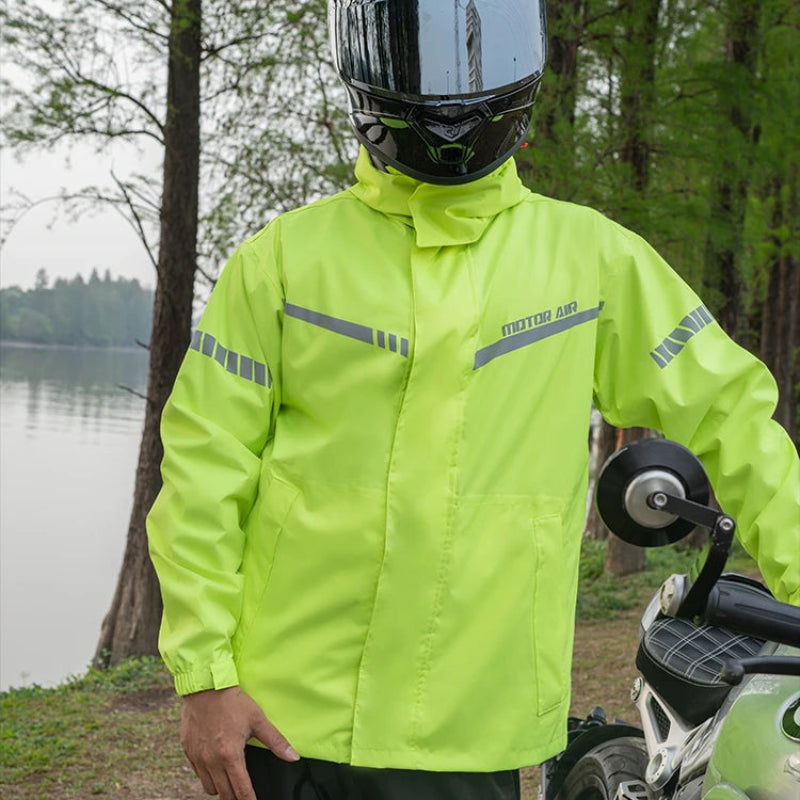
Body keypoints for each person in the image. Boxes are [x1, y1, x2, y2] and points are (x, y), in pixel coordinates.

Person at [146, 2, 800, 799]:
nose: (451, 98)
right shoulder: (281, 265)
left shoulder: (591, 261)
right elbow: (204, 476)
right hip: (289, 725)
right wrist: (205, 675)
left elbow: (732, 418)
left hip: (468, 733)